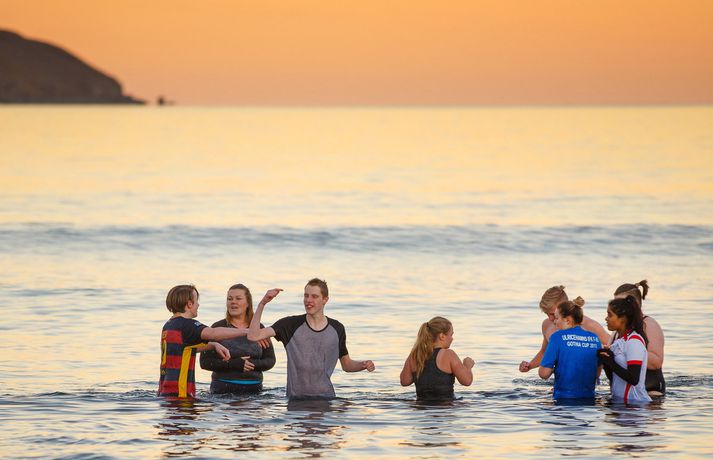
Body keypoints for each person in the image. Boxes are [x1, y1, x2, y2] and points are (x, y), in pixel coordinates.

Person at [247, 278, 375, 399]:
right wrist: (263, 303)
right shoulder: (289, 325)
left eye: (314, 296)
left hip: (326, 400)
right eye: (306, 295)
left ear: (325, 299)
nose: (308, 300)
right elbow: (253, 336)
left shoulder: (337, 328)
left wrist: (362, 365)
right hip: (296, 402)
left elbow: (346, 365)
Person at [159, 284, 253, 398]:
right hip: (180, 394)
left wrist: (213, 345)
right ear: (189, 304)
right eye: (196, 301)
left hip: (165, 391)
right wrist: (247, 331)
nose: (198, 304)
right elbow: (213, 333)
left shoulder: (170, 325)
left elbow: (183, 349)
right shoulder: (188, 325)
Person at [200, 283, 276, 394]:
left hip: (254, 391)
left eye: (238, 298)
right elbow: (205, 362)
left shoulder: (258, 328)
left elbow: (270, 360)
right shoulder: (217, 328)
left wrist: (250, 364)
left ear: (248, 303)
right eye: (229, 299)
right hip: (223, 390)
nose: (233, 302)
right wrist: (234, 364)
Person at [519, 285, 609, 373]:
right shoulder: (547, 325)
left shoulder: (588, 325)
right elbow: (544, 352)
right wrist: (529, 366)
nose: (550, 319)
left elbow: (614, 346)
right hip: (561, 379)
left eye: (552, 314)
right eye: (546, 314)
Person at [538, 298, 602, 400]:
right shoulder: (595, 338)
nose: (554, 322)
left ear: (567, 320)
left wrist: (556, 369)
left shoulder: (556, 337)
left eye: (557, 318)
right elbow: (597, 371)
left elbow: (543, 374)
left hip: (563, 399)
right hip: (590, 400)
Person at [399, 316, 475, 400]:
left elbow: (404, 381)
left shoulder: (415, 355)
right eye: (451, 334)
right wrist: (467, 366)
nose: (452, 338)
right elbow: (467, 381)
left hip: (421, 408)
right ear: (442, 336)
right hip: (445, 407)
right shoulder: (448, 354)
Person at [613, 280, 665, 395]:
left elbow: (656, 362)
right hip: (627, 392)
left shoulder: (649, 325)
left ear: (635, 304)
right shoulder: (617, 329)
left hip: (651, 392)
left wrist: (629, 351)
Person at [598, 296, 652, 403]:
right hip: (621, 403)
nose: (606, 318)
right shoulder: (618, 341)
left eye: (610, 315)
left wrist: (611, 362)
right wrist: (605, 361)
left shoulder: (634, 341)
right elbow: (614, 378)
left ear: (622, 318)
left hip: (635, 404)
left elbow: (634, 379)